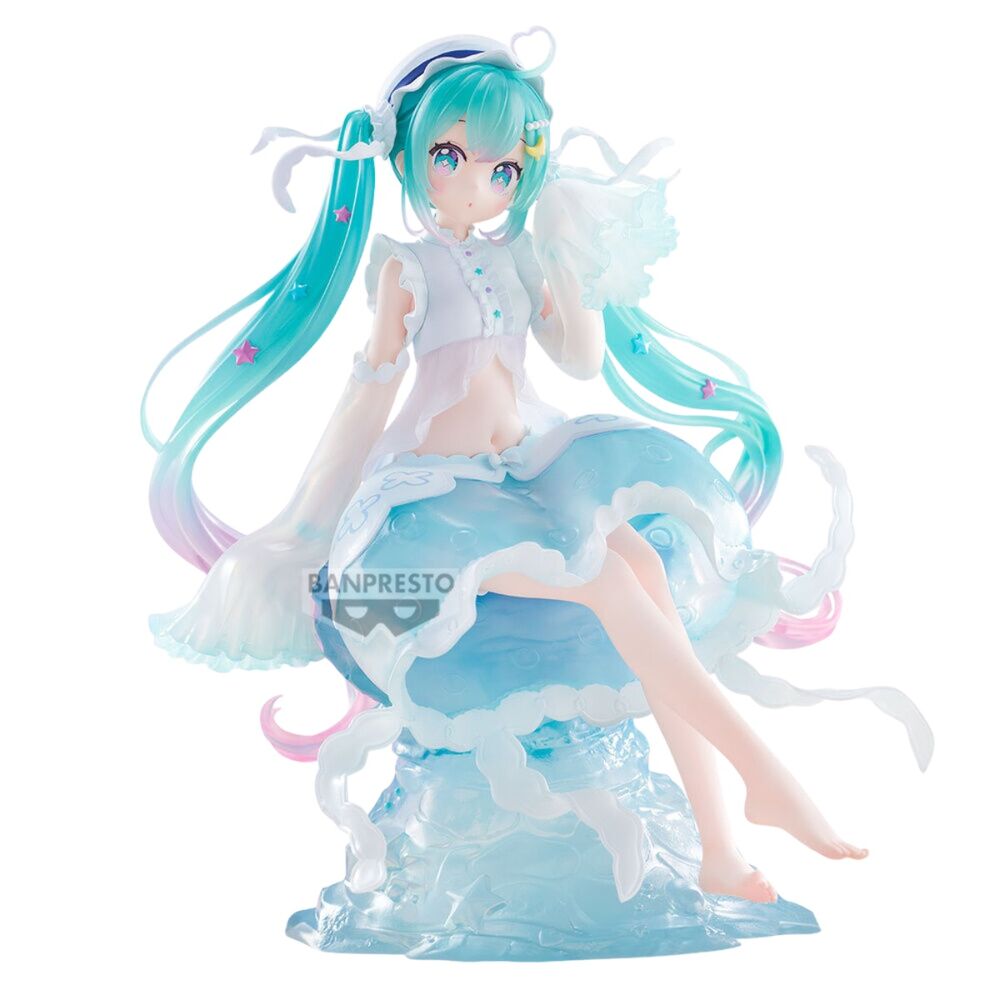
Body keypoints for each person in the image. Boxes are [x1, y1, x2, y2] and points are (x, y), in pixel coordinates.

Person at [141, 28, 933, 960]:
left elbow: (581, 360)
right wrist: (310, 525)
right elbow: (369, 395)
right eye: (450, 157)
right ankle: (767, 772)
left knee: (642, 569)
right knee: (606, 575)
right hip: (434, 505)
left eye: (505, 169)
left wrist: (567, 258)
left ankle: (723, 847)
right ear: (408, 157)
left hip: (530, 472)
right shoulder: (404, 265)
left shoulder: (516, 256)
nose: (478, 183)